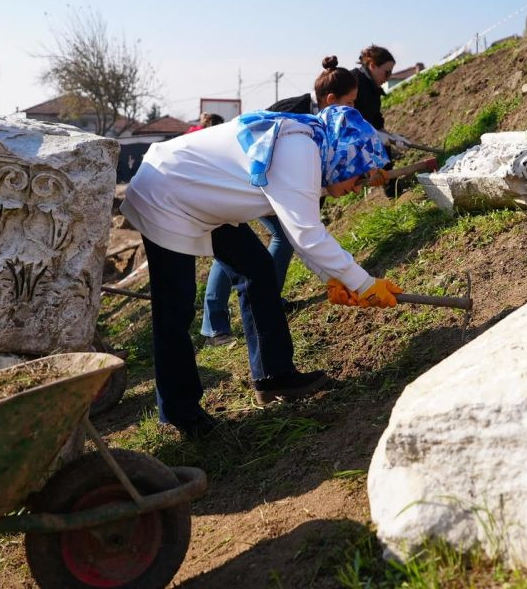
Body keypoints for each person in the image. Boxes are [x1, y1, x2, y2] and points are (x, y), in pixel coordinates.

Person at [120, 66, 402, 439]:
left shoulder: (311, 145)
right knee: (175, 308)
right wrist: (364, 283)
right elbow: (308, 234)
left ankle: (274, 376)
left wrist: (333, 279)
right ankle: (180, 412)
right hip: (166, 191)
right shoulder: (299, 152)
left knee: (257, 270)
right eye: (359, 175)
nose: (359, 185)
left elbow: (299, 232)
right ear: (344, 157)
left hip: (203, 194)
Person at [199, 58, 338, 348]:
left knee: (279, 236)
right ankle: (214, 326)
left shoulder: (319, 121)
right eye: (348, 102)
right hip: (238, 178)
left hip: (263, 182)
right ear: (330, 99)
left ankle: (267, 301)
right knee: (227, 239)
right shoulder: (294, 110)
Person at [351, 45, 402, 197]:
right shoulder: (354, 81)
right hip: (350, 139)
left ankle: (393, 193)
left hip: (368, 137)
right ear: (373, 66)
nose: (388, 77)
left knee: (385, 152)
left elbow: (377, 122)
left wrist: (393, 138)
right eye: (387, 72)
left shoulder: (373, 89)